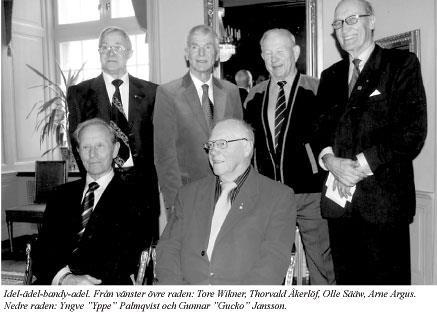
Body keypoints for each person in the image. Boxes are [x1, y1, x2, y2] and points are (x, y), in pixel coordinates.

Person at [316, 0, 427, 284]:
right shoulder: (329, 77)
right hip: (339, 209)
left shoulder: (401, 64)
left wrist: (356, 166)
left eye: (351, 19)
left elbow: (411, 132)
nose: (344, 29)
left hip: (384, 208)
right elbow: (318, 133)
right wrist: (330, 161)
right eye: (338, 23)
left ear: (372, 21)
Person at [156, 119, 296, 284]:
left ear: (247, 147)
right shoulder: (188, 195)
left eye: (221, 144)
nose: (213, 152)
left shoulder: (278, 197)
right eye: (210, 145)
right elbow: (168, 249)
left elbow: (273, 263)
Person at [244, 28, 335, 285]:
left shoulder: (317, 89)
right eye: (268, 53)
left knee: (322, 265)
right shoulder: (254, 95)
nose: (274, 58)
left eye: (280, 51)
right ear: (262, 57)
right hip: (268, 195)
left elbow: (332, 140)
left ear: (295, 53)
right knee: (266, 265)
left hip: (311, 195)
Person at [67, 26, 160, 240]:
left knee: (143, 252)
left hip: (142, 186)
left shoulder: (152, 92)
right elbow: (76, 142)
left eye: (117, 47)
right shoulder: (79, 93)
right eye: (105, 47)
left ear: (129, 52)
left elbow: (160, 142)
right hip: (101, 183)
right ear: (99, 52)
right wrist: (94, 177)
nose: (111, 52)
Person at [33, 118, 150, 285]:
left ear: (115, 150)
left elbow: (126, 257)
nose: (92, 154)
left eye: (100, 146)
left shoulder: (136, 196)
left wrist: (81, 282)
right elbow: (43, 249)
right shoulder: (60, 194)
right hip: (58, 283)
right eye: (86, 147)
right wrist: (65, 278)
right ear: (78, 152)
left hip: (103, 288)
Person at [154, 25, 243, 217]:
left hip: (229, 195)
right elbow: (164, 156)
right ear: (187, 53)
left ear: (217, 54)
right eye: (195, 47)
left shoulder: (231, 91)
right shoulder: (167, 93)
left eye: (208, 47)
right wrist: (175, 202)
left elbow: (241, 148)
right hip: (188, 197)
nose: (201, 53)